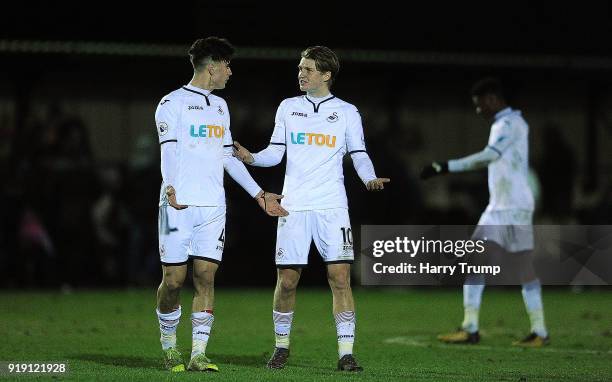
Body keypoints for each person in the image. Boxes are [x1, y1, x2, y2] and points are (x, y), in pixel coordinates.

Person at [232, 46, 390, 372]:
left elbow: (358, 153)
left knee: (340, 278)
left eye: (308, 69)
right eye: (300, 68)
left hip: (332, 207)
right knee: (287, 280)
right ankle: (281, 347)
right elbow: (275, 153)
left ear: (326, 74)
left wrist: (369, 177)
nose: (301, 74)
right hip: (295, 207)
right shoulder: (289, 108)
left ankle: (346, 353)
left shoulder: (347, 111)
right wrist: (251, 158)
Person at [154, 37, 288, 373]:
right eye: (227, 65)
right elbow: (168, 148)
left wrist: (259, 193)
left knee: (205, 276)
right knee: (172, 280)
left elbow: (227, 157)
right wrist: (170, 186)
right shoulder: (171, 103)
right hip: (177, 204)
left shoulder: (220, 107)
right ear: (212, 66)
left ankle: (198, 353)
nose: (230, 72)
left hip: (213, 207)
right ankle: (170, 348)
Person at [420, 77, 549, 347]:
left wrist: (445, 166)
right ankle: (471, 327)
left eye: (480, 105)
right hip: (500, 206)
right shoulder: (506, 123)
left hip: (513, 207)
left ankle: (538, 331)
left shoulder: (510, 124)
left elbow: (489, 156)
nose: (478, 111)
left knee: (522, 266)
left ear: (492, 99)